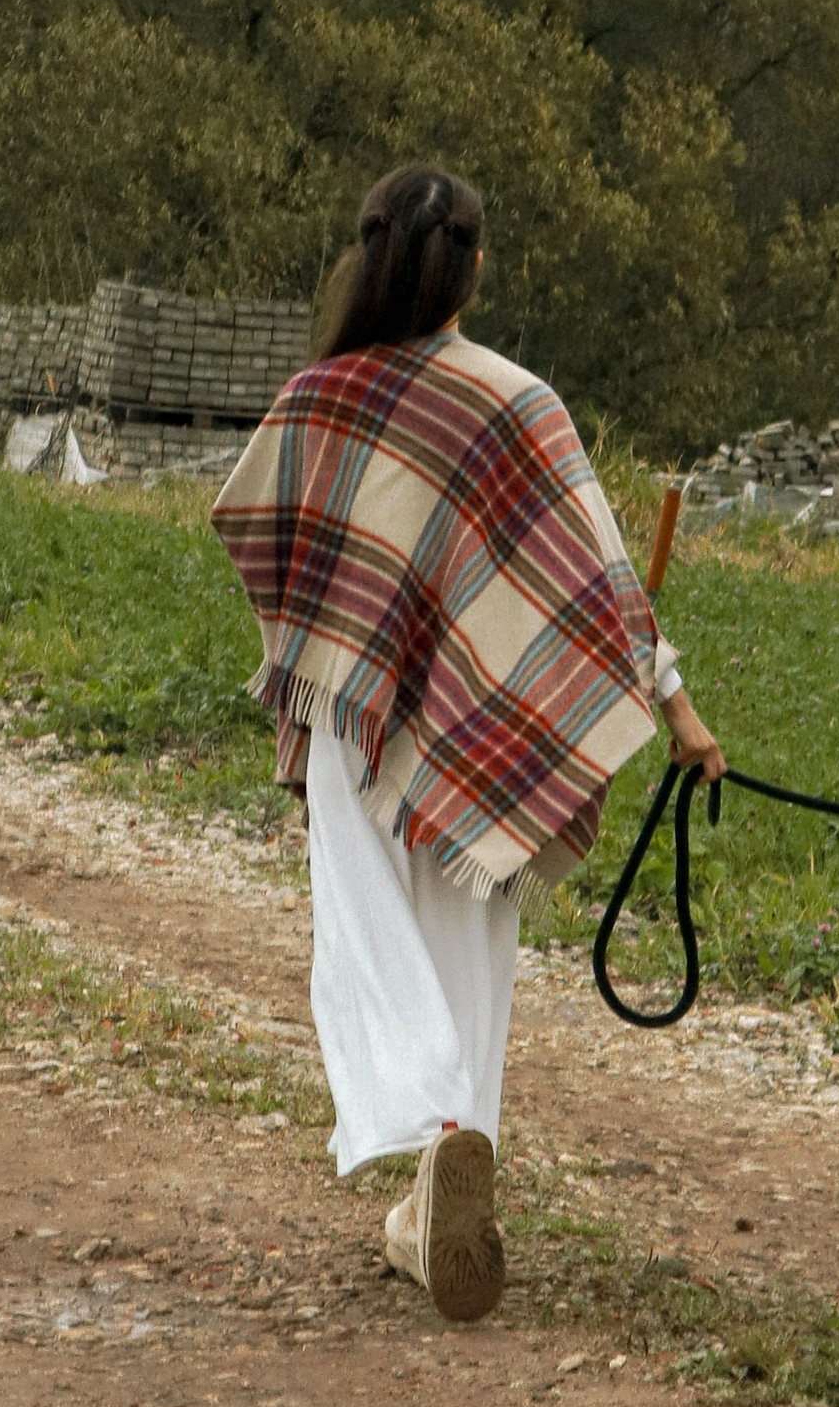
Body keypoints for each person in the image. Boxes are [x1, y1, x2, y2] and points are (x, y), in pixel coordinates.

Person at [211, 164, 722, 1323]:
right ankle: (457, 1145)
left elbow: (264, 536)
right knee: (471, 952)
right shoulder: (516, 402)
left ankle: (428, 1163)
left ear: (370, 253)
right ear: (474, 263)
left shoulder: (319, 400)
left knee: (367, 927)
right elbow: (602, 589)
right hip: (481, 734)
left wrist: (326, 657)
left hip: (358, 717)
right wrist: (678, 709)